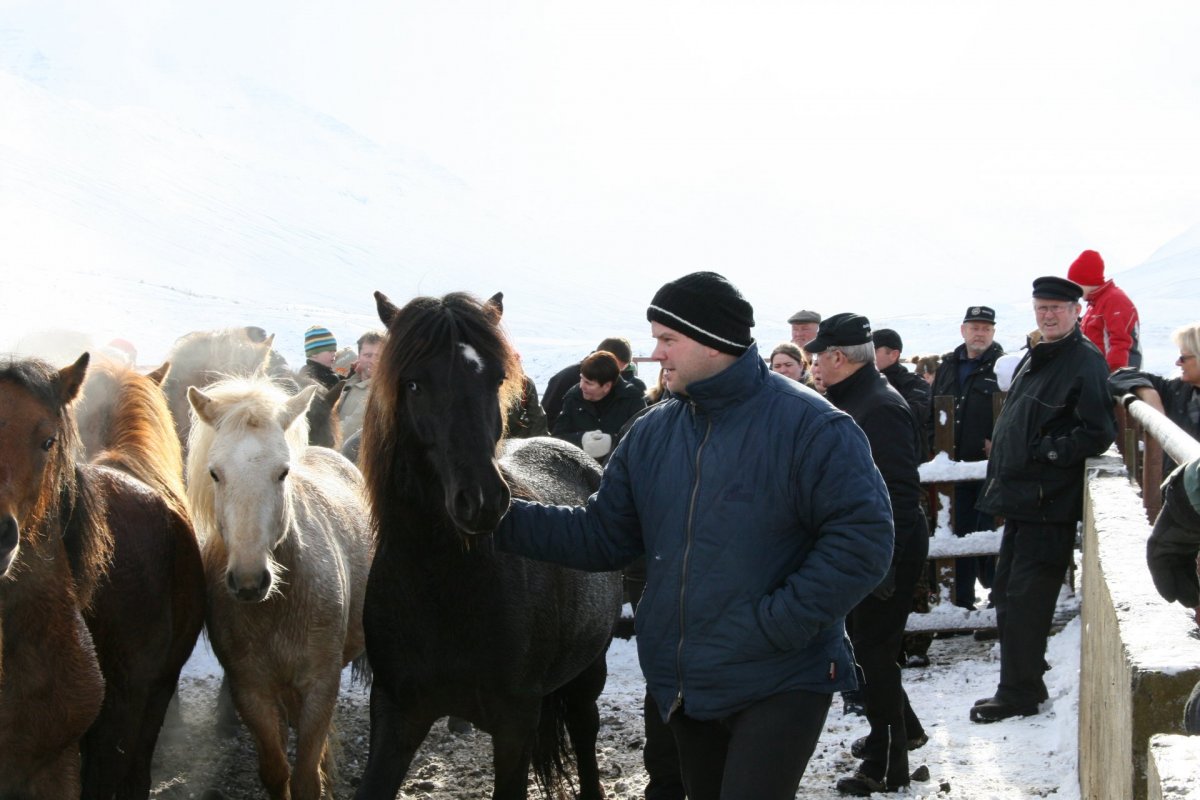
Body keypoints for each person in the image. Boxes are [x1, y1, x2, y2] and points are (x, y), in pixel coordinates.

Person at [495, 272, 894, 800]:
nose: (656, 353)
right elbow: (601, 535)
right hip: (686, 680)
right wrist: (496, 516)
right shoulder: (653, 433)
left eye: (667, 339)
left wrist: (777, 623)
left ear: (711, 341)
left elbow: (863, 541)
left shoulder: (813, 426)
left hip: (781, 676)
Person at [971, 276, 1116, 723]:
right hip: (1022, 498)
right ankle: (1021, 682)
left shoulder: (1083, 361)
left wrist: (1048, 451)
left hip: (1045, 501)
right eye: (1041, 308)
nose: (1048, 315)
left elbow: (1097, 430)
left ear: (1076, 312)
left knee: (1027, 599)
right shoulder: (1042, 355)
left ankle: (1019, 693)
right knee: (1008, 596)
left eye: (1057, 308)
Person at [805, 313, 930, 795]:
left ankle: (888, 768)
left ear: (839, 357)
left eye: (818, 356)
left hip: (880, 555)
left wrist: (884, 566)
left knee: (875, 658)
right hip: (863, 551)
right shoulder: (854, 399)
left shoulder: (878, 407)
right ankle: (897, 738)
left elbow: (899, 492)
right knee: (868, 654)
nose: (814, 363)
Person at [929, 305, 1005, 610]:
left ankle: (995, 601)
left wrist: (999, 441)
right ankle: (960, 601)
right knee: (955, 530)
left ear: (993, 332)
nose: (980, 333)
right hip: (951, 466)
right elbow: (934, 407)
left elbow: (1013, 408)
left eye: (986, 328)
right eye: (974, 327)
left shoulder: (1003, 365)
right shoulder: (948, 365)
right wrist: (934, 445)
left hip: (989, 467)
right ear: (963, 330)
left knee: (989, 530)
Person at [1108, 322, 1200, 474]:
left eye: (1183, 358)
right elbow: (1119, 376)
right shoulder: (1176, 389)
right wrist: (1149, 393)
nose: (1177, 363)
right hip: (1178, 491)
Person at [552, 351, 647, 462]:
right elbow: (556, 439)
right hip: (580, 471)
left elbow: (643, 440)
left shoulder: (632, 399)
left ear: (606, 386)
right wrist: (581, 439)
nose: (582, 386)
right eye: (581, 378)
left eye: (588, 383)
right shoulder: (573, 397)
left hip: (619, 469)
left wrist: (612, 442)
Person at [543, 336, 647, 428]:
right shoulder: (566, 380)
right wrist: (581, 439)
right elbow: (548, 419)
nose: (614, 373)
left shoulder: (632, 393)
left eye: (621, 370)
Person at [1066, 249, 1142, 372]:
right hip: (1096, 373)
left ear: (1085, 280)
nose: (1073, 291)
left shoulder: (1114, 300)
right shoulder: (1094, 304)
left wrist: (1114, 378)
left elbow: (1121, 342)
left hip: (1112, 377)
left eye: (1075, 284)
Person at [873, 328, 931, 450]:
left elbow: (912, 416)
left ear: (894, 355)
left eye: (874, 350)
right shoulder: (862, 383)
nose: (868, 356)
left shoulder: (914, 384)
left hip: (906, 456)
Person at [337, 330, 384, 441]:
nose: (373, 361)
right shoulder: (350, 381)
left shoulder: (380, 392)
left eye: (379, 356)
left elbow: (351, 428)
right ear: (359, 357)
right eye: (368, 355)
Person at [299, 325, 341, 389]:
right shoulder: (318, 377)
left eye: (334, 351)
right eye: (330, 351)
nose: (334, 354)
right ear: (314, 353)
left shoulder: (306, 371)